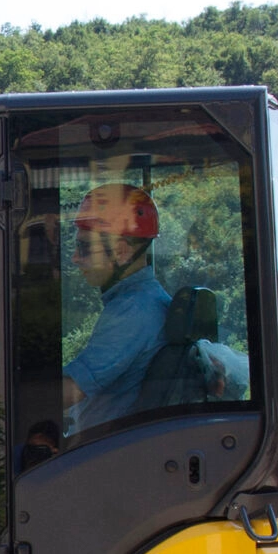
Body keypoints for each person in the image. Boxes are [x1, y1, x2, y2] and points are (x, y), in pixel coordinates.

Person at [57, 182, 170, 434]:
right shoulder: (143, 301)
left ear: (120, 251)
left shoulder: (134, 311)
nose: (76, 258)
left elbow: (70, 391)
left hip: (98, 455)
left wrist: (0, 406)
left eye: (84, 247)